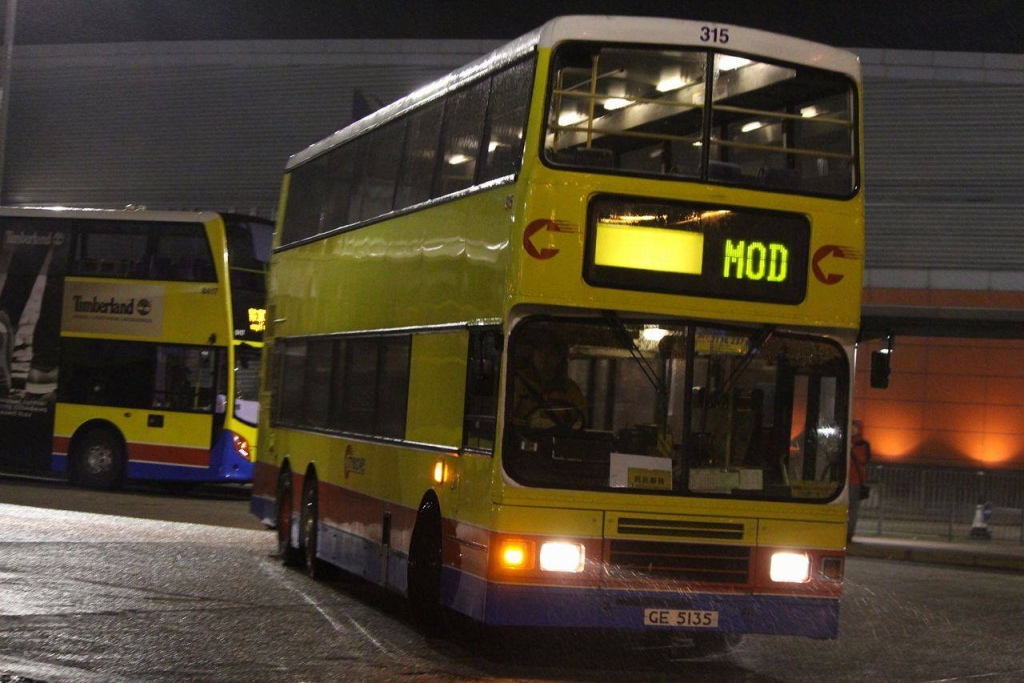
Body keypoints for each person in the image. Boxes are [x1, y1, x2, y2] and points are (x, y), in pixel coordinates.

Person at [511, 331, 585, 430]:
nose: (544, 357)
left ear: (559, 358)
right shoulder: (518, 383)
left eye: (551, 352)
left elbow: (579, 421)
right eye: (540, 351)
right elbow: (506, 417)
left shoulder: (569, 389)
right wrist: (527, 423)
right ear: (533, 355)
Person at [848, 420, 872, 544]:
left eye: (855, 427)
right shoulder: (847, 441)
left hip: (855, 481)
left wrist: (851, 449)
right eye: (851, 427)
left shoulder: (862, 444)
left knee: (852, 509)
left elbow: (864, 459)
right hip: (848, 480)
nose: (853, 429)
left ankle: (849, 533)